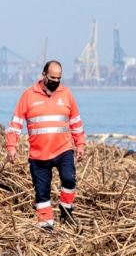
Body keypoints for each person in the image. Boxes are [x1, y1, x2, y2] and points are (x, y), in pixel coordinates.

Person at [5, 61, 86, 231]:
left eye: (58, 78)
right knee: (42, 193)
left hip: (63, 149)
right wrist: (11, 146)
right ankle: (46, 226)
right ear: (43, 75)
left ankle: (66, 211)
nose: (55, 81)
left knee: (69, 179)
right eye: (52, 78)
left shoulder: (67, 94)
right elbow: (16, 124)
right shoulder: (28, 96)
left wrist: (80, 144)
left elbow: (76, 122)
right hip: (38, 154)